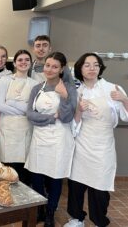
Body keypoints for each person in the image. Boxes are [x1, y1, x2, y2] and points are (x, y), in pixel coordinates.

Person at [63, 53, 128, 227]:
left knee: (100, 186)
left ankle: (99, 220)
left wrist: (124, 99)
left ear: (100, 68)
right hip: (81, 143)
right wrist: (79, 110)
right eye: (87, 65)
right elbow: (72, 124)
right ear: (80, 68)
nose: (91, 68)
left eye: (96, 65)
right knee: (76, 184)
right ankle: (76, 218)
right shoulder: (76, 91)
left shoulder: (112, 88)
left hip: (103, 145)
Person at [25, 52, 77, 227]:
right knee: (37, 177)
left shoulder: (69, 89)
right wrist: (49, 118)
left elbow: (67, 117)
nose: (50, 69)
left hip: (60, 139)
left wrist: (63, 97)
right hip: (39, 139)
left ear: (62, 69)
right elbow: (30, 115)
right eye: (47, 65)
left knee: (55, 178)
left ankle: (50, 213)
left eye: (55, 66)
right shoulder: (37, 88)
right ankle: (40, 208)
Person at [0, 50, 38, 185]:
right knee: (7, 169)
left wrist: (12, 103)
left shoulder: (35, 84)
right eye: (20, 60)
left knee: (22, 169)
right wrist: (23, 108)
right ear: (14, 63)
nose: (23, 62)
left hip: (25, 130)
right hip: (6, 129)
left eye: (26, 60)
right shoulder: (5, 80)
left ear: (30, 63)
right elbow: (0, 106)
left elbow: (31, 109)